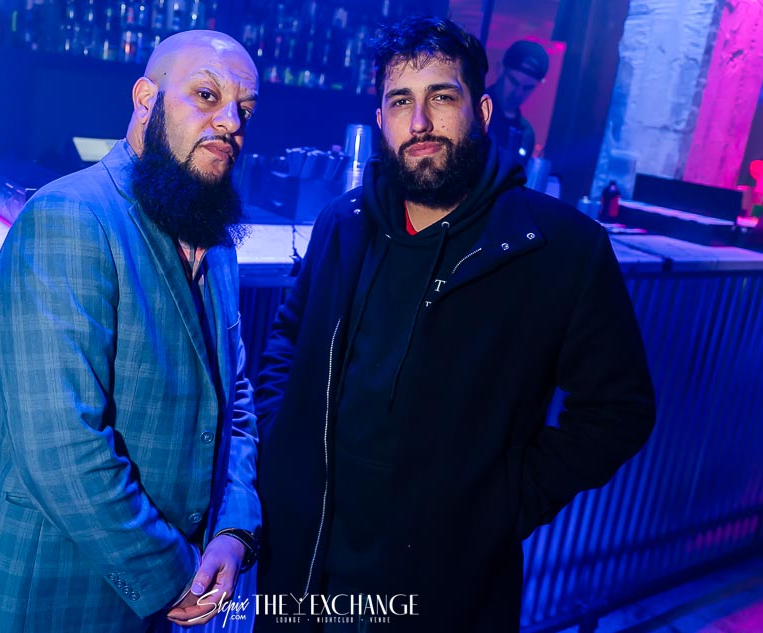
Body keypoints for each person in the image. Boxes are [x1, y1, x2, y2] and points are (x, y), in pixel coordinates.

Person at [253, 15, 655, 632]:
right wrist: (282, 441)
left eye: (441, 97)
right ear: (381, 119)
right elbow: (288, 337)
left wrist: (506, 503)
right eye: (400, 102)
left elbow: (619, 408)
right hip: (307, 563)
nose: (419, 122)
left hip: (444, 585)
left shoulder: (559, 248)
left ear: (482, 111)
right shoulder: (343, 224)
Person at [0, 30, 261, 633]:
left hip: (166, 591)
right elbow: (62, 445)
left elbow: (234, 398)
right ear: (145, 99)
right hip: (49, 595)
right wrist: (173, 575)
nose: (230, 122)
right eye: (206, 95)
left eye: (244, 109)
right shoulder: (70, 216)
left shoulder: (215, 237)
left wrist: (233, 528)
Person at [486, 39, 550, 162]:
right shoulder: (472, 111)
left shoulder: (527, 134)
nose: (518, 93)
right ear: (500, 69)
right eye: (514, 82)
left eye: (527, 88)